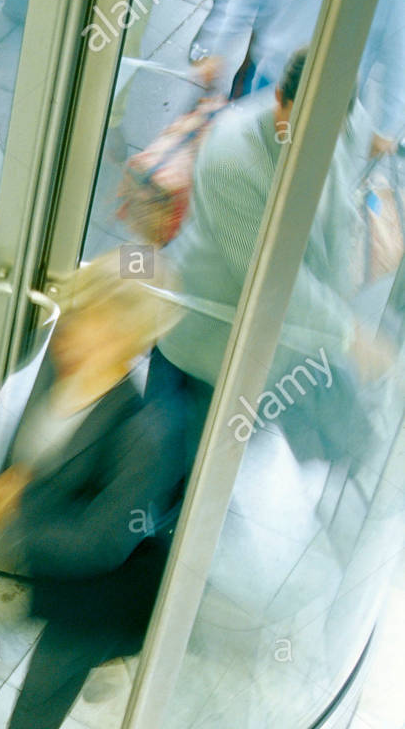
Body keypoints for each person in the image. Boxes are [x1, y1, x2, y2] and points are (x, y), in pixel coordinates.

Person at [0, 253, 188, 729]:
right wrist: (7, 484)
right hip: (41, 531)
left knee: (53, 672)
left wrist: (6, 527)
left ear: (133, 343)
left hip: (99, 580)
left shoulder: (145, 433)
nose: (74, 337)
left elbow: (101, 544)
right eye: (78, 316)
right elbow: (29, 436)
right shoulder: (60, 359)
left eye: (99, 329)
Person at [155, 47, 390, 467]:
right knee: (179, 468)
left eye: (328, 131)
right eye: (303, 127)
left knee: (310, 442)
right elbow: (269, 278)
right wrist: (348, 332)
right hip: (206, 341)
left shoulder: (341, 124)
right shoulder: (233, 156)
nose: (314, 143)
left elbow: (334, 217)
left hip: (281, 341)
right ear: (280, 97)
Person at [191, 0, 405, 155]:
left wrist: (385, 127)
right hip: (268, 83)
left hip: (333, 106)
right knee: (244, 163)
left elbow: (399, 53)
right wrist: (215, 48)